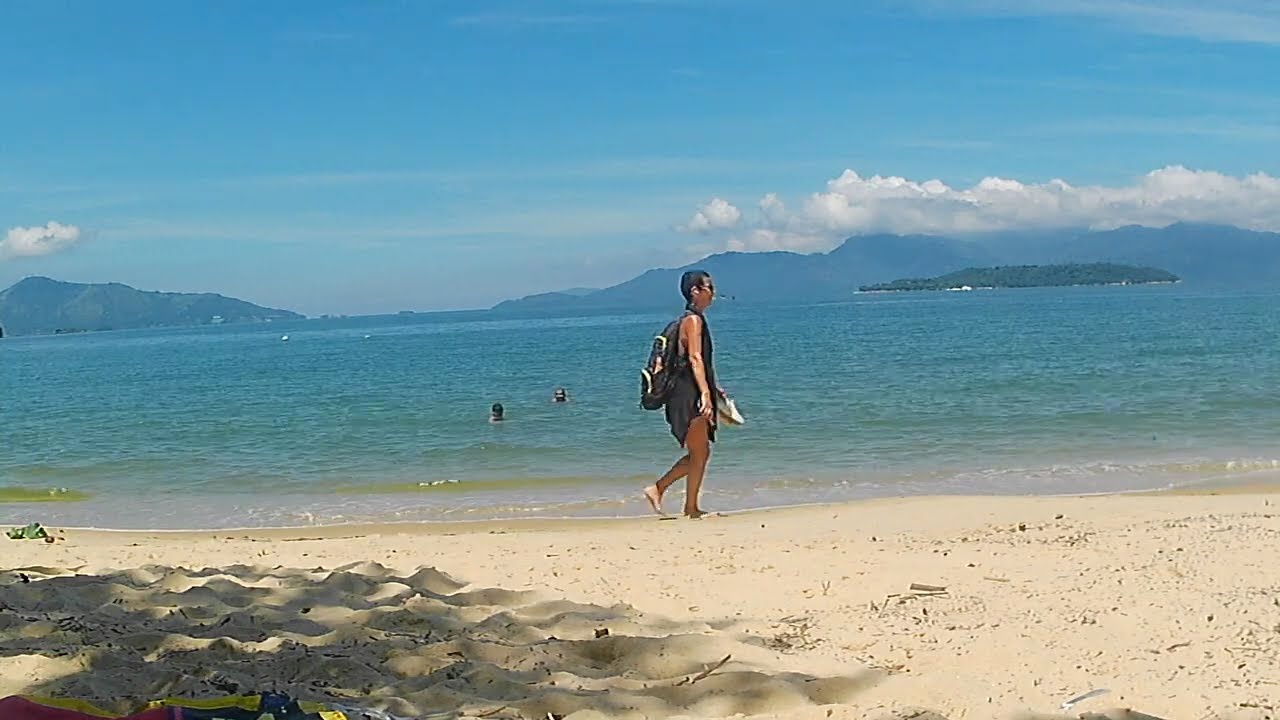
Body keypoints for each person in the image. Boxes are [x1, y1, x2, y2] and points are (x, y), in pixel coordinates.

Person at [643, 270, 719, 519]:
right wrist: (706, 393)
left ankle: (687, 504)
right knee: (700, 451)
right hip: (688, 394)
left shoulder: (690, 320)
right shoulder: (693, 321)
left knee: (701, 452)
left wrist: (713, 388)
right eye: (709, 287)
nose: (713, 292)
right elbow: (695, 358)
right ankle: (661, 490)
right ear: (695, 291)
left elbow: (694, 362)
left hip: (687, 391)